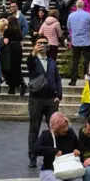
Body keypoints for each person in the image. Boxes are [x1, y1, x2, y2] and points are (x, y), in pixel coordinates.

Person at [27, 39, 63, 168]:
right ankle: (32, 156)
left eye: (45, 43)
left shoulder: (52, 62)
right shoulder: (33, 60)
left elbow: (57, 79)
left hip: (51, 99)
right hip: (36, 99)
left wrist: (59, 95)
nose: (42, 45)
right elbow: (29, 64)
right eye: (39, 43)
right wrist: (33, 52)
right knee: (34, 128)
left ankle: (53, 155)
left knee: (53, 129)